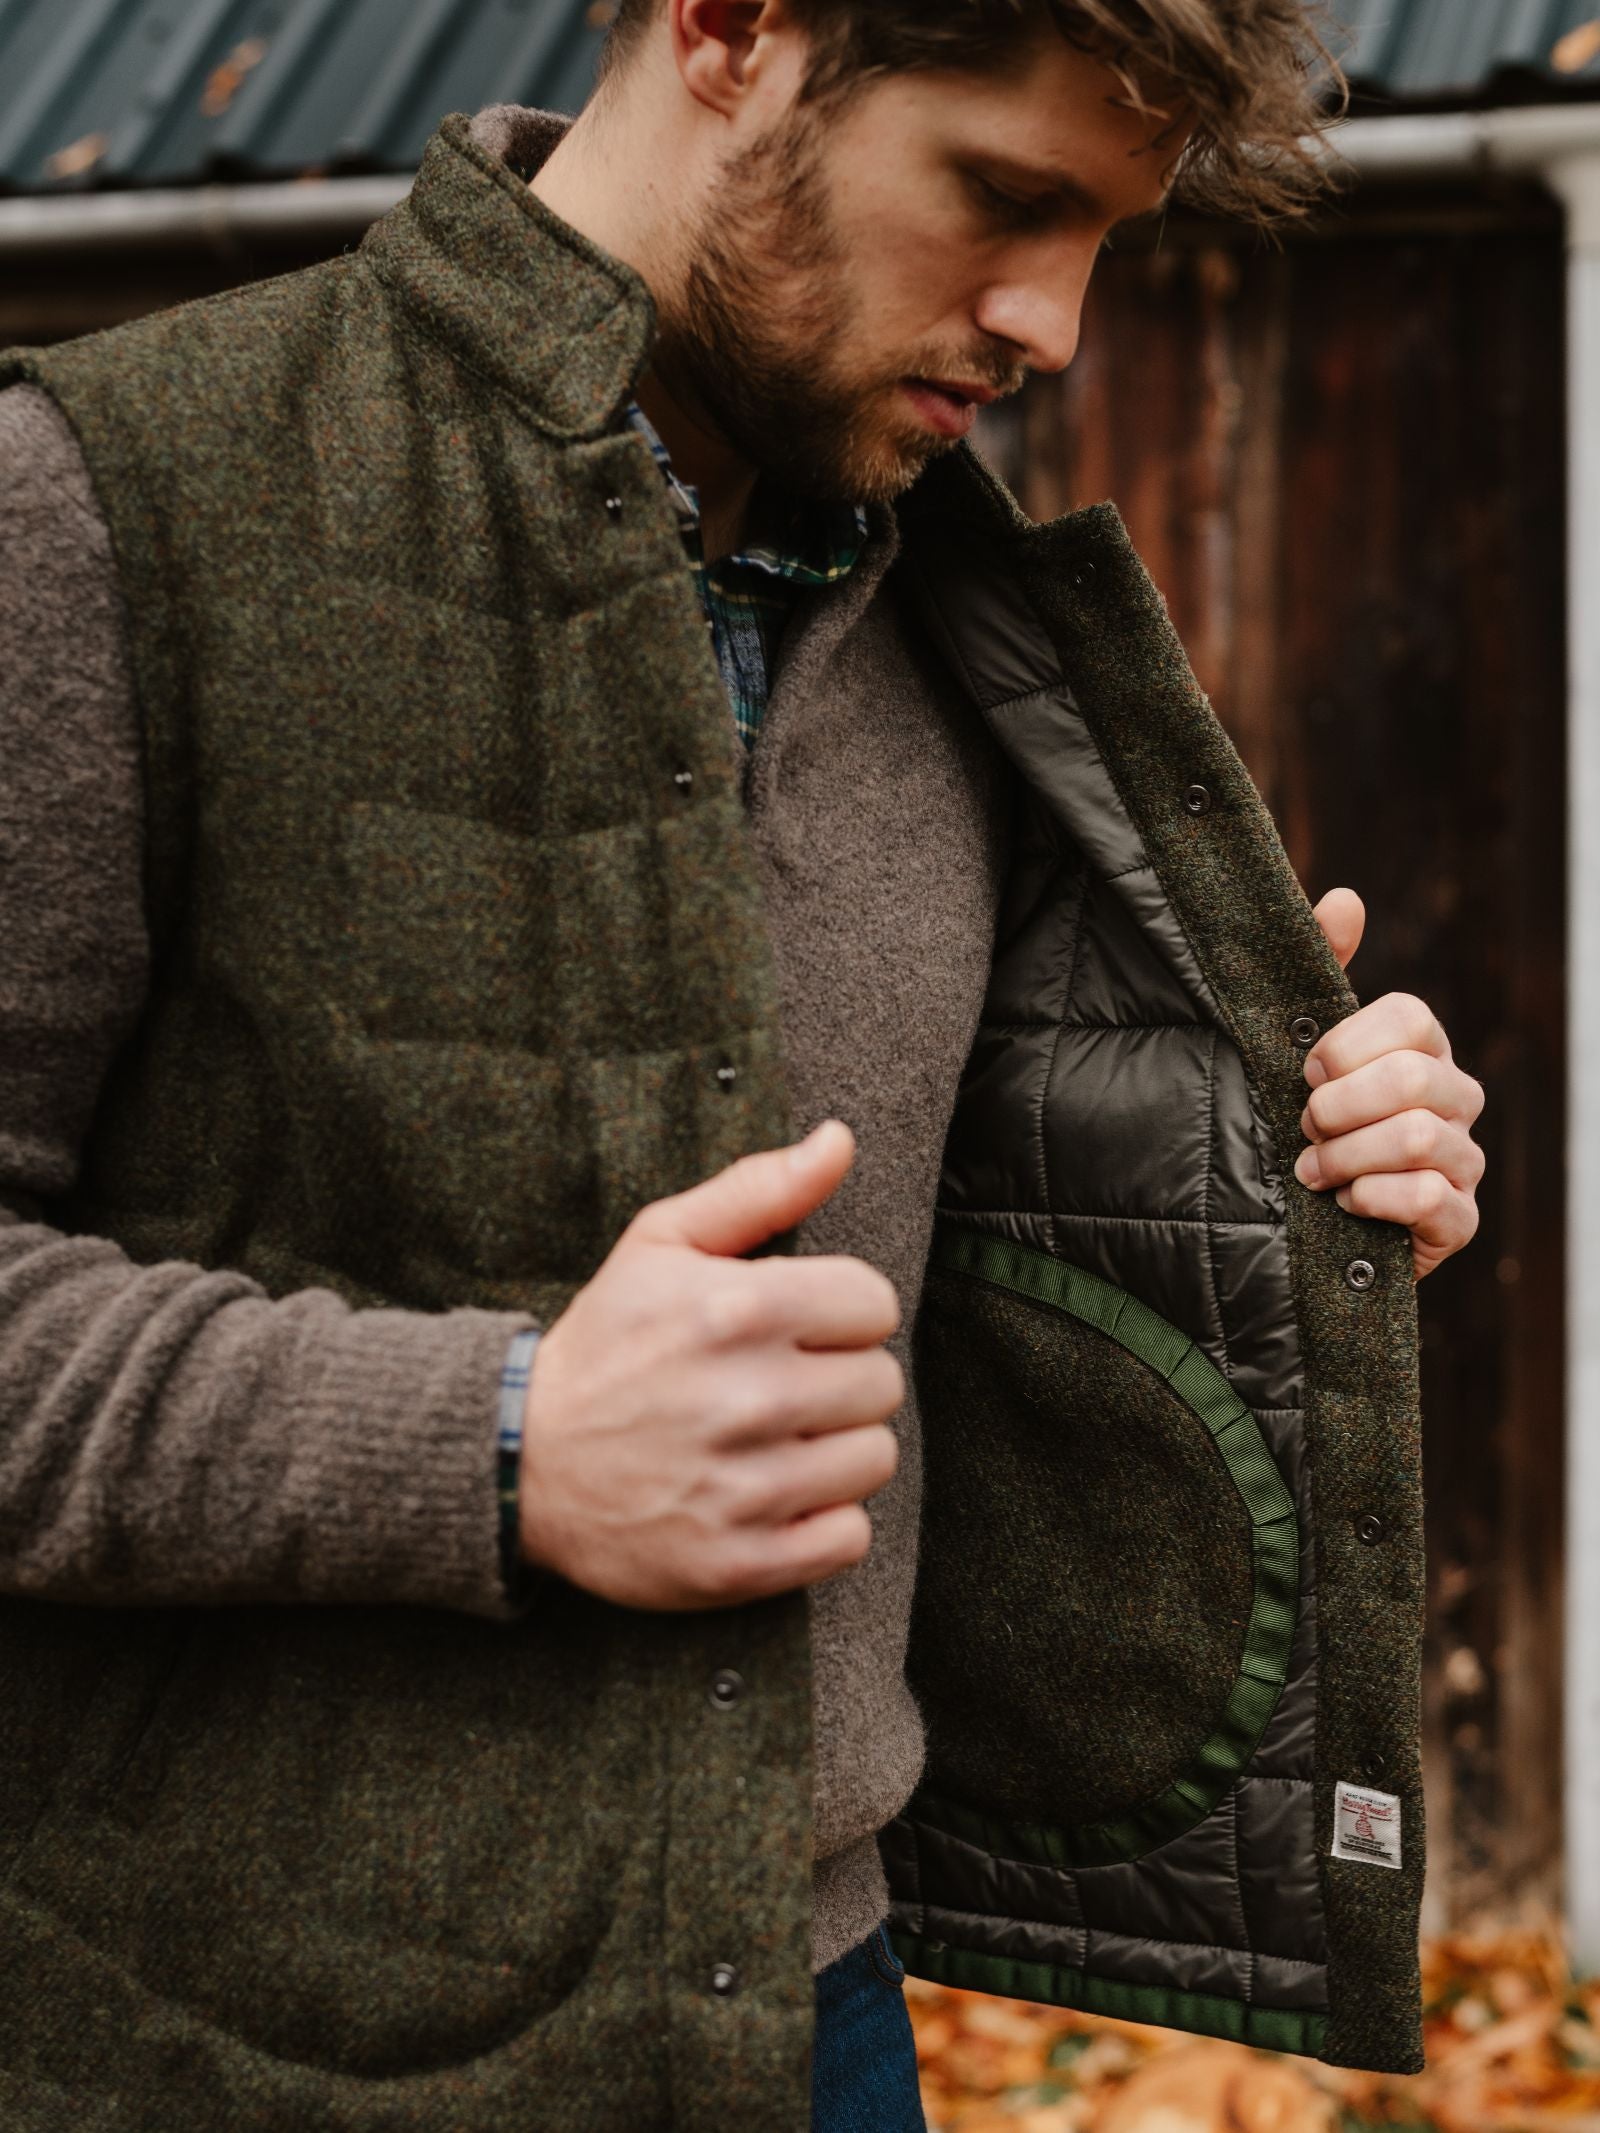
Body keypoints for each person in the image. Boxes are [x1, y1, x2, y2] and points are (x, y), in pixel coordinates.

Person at [0, 2, 1485, 2126]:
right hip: (220, 2038)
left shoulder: (956, 623)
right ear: (726, 26)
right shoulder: (112, 501)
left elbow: (943, 1277)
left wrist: (1281, 1195)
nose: (1051, 323)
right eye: (1003, 197)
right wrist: (498, 1438)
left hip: (816, 2017)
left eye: (1105, 240)